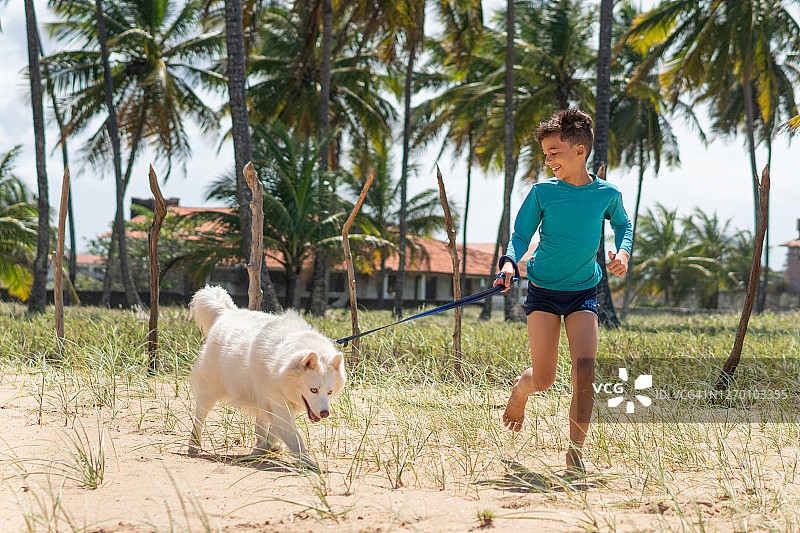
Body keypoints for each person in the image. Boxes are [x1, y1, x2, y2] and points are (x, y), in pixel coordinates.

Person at [494, 108, 632, 474]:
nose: (549, 160)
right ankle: (519, 393)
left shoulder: (607, 193)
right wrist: (509, 262)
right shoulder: (542, 192)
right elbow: (521, 234)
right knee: (544, 379)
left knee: (584, 374)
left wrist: (623, 250)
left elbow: (623, 223)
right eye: (545, 155)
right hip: (543, 291)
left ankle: (574, 453)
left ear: (580, 151)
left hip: (584, 291)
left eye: (555, 152)